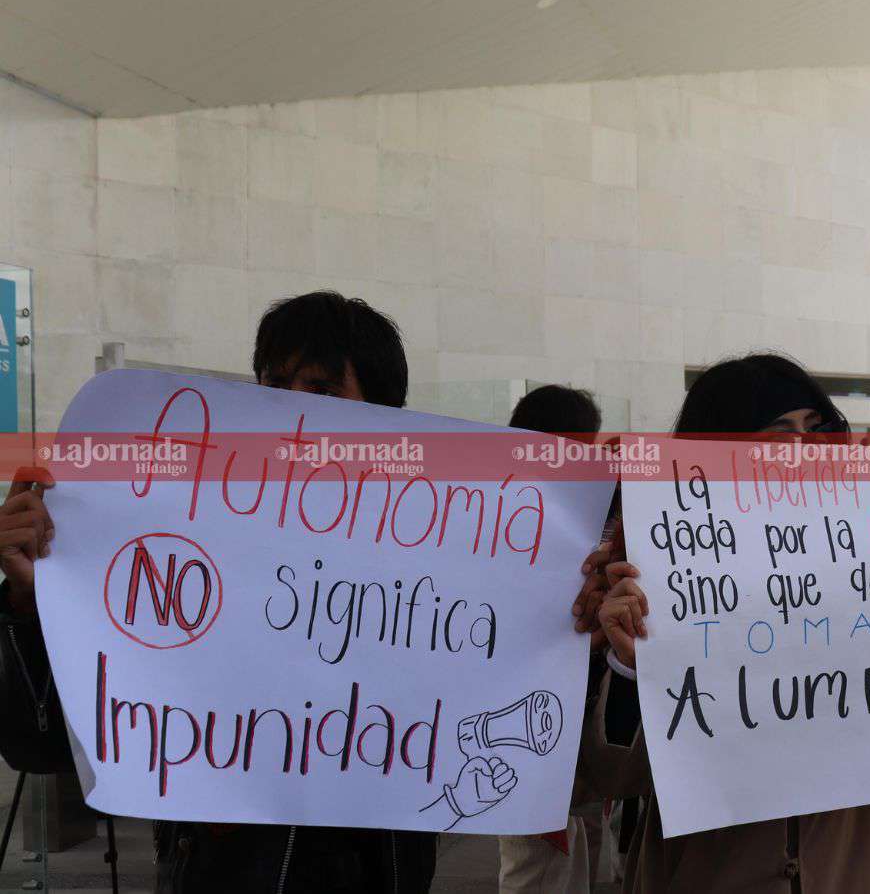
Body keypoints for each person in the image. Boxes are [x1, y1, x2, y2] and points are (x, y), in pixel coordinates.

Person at [0, 291, 437, 893]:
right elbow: (41, 744)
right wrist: (30, 602)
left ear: (384, 419)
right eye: (274, 385)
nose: (290, 409)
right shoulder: (180, 553)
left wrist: (599, 643)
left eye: (322, 392)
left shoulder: (436, 570)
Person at [577, 353, 870, 894]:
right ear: (715, 449)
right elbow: (612, 777)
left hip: (850, 870)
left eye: (815, 431)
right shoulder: (658, 572)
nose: (803, 450)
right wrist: (634, 665)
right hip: (707, 872)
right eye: (778, 434)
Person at [499, 384, 605, 894]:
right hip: (527, 734)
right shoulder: (508, 519)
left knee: (561, 854)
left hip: (565, 734)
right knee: (535, 863)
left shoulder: (583, 523)